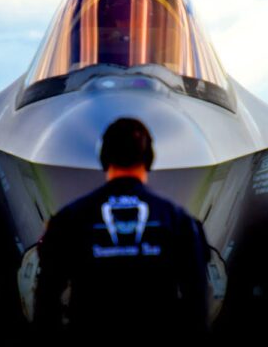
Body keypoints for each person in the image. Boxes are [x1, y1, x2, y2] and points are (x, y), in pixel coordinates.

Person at [34, 118, 209, 343]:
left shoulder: (68, 219)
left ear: (103, 157)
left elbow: (46, 299)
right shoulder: (178, 220)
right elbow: (197, 303)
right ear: (149, 158)